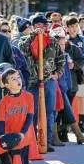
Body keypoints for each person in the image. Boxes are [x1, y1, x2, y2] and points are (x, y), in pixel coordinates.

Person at [19, 14, 65, 152]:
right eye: (38, 25)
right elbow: (23, 50)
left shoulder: (52, 41)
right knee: (32, 113)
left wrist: (57, 73)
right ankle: (31, 143)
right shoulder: (24, 40)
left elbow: (60, 60)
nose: (41, 27)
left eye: (44, 25)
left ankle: (46, 141)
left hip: (49, 81)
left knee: (49, 113)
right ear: (33, 26)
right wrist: (33, 36)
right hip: (32, 82)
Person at [50, 26, 84, 145]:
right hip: (56, 87)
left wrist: (74, 65)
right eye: (60, 44)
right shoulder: (51, 54)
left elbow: (83, 60)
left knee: (67, 112)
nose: (62, 47)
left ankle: (71, 135)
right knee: (57, 113)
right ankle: (58, 137)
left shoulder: (71, 49)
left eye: (64, 44)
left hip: (68, 87)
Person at [0, 68, 32, 164]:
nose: (18, 80)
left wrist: (22, 133)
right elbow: (1, 123)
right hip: (9, 140)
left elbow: (30, 117)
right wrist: (3, 139)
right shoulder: (3, 102)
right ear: (7, 85)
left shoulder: (29, 97)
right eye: (13, 79)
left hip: (24, 138)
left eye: (18, 77)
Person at [0, 19, 30, 88]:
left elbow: (25, 69)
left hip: (17, 90)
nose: (7, 33)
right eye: (4, 31)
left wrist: (24, 84)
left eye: (9, 31)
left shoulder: (15, 50)